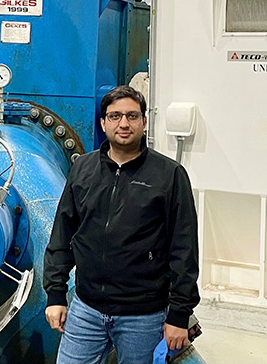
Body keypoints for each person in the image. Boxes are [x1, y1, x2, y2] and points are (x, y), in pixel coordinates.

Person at [43, 85, 200, 364]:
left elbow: (184, 250)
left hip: (143, 316)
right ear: (103, 123)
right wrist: (56, 294)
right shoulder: (83, 169)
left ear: (144, 121)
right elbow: (62, 235)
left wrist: (179, 314)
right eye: (115, 116)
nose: (124, 124)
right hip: (86, 309)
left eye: (132, 116)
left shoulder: (169, 175)